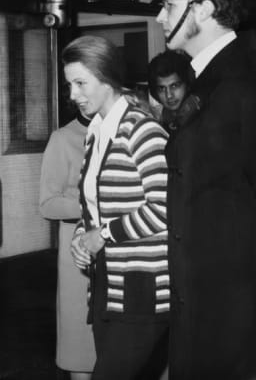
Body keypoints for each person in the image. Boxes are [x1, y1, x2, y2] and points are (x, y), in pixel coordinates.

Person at [154, 0, 256, 379]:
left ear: (206, 8)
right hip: (202, 310)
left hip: (236, 321)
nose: (159, 17)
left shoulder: (243, 84)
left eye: (170, 6)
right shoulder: (206, 81)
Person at [66, 35, 169, 380]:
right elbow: (92, 207)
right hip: (106, 287)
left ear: (107, 76)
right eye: (70, 84)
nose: (72, 95)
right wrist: (82, 237)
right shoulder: (96, 132)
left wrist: (103, 236)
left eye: (81, 83)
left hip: (143, 291)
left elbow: (166, 207)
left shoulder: (142, 130)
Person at [40, 104, 96, 380]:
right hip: (79, 264)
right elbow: (47, 205)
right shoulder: (63, 138)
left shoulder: (127, 132)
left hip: (121, 252)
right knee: (81, 354)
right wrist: (92, 205)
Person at [148, 51, 193, 133]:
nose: (169, 95)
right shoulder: (159, 119)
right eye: (161, 88)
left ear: (187, 84)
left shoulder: (202, 117)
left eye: (174, 86)